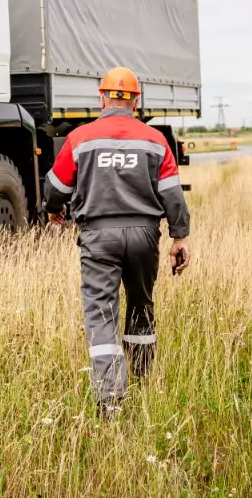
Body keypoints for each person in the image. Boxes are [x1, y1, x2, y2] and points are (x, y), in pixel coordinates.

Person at [42, 66, 191, 418]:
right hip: (144, 235)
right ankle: (142, 377)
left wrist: (53, 209)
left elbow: (56, 187)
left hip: (98, 237)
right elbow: (172, 196)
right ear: (136, 101)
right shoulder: (155, 140)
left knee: (100, 312)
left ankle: (110, 400)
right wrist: (179, 237)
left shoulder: (81, 138)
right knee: (141, 305)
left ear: (101, 97)